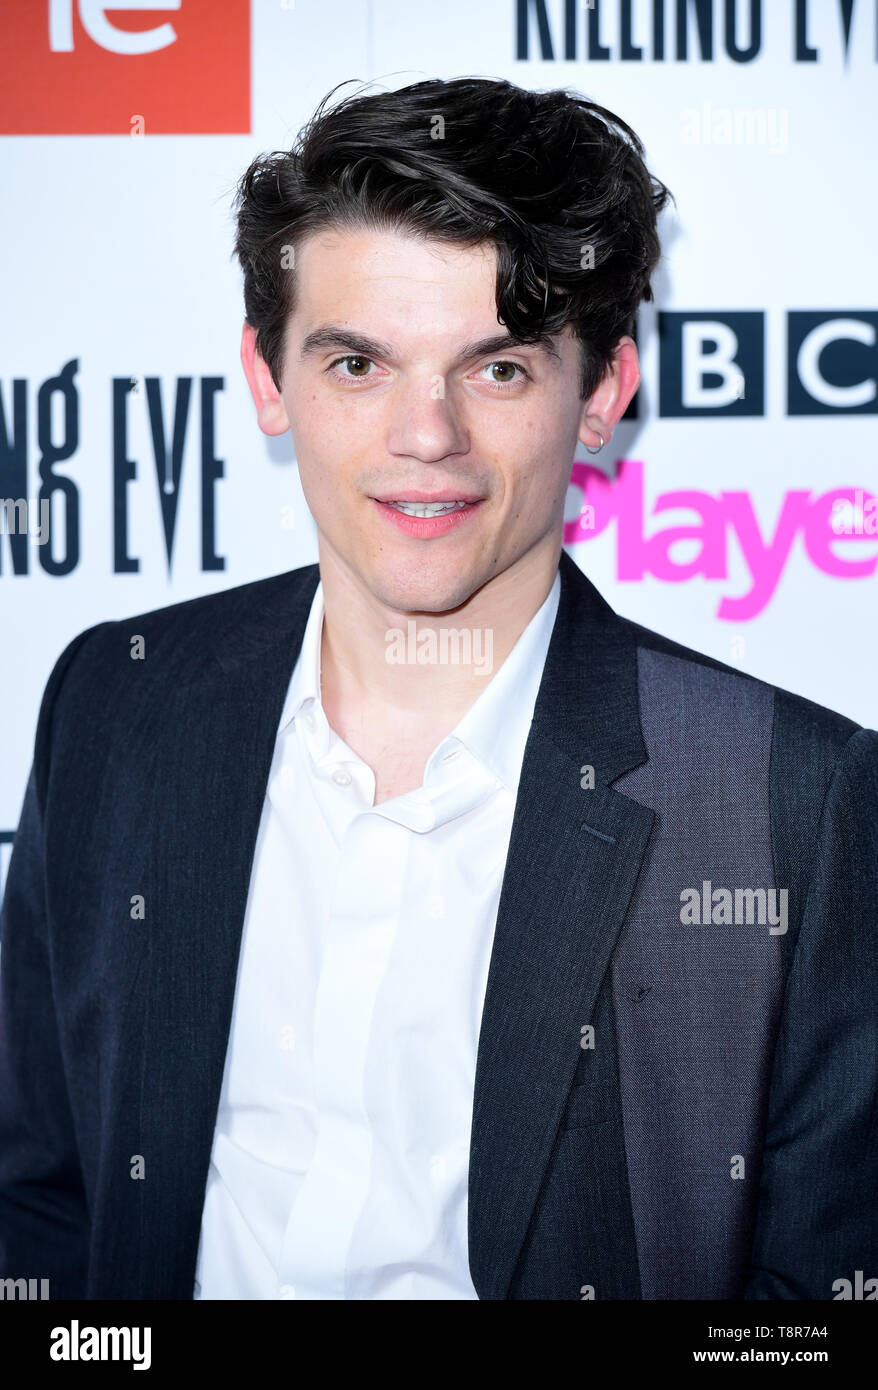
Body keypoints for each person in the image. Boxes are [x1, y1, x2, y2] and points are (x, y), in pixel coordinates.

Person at [1, 76, 875, 1301]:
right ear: (266, 376)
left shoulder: (789, 798)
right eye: (357, 361)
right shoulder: (117, 702)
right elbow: (36, 1190)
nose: (427, 435)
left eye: (498, 369)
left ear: (603, 392)